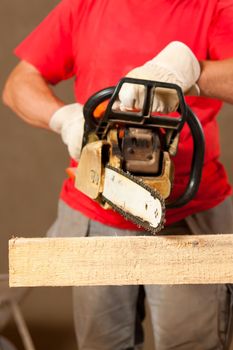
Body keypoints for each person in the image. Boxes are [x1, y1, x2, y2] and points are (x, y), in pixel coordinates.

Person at [3, 1, 233, 349]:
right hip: (95, 213)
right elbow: (18, 83)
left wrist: (193, 71)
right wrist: (64, 118)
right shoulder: (84, 6)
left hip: (190, 213)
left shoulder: (214, 7)